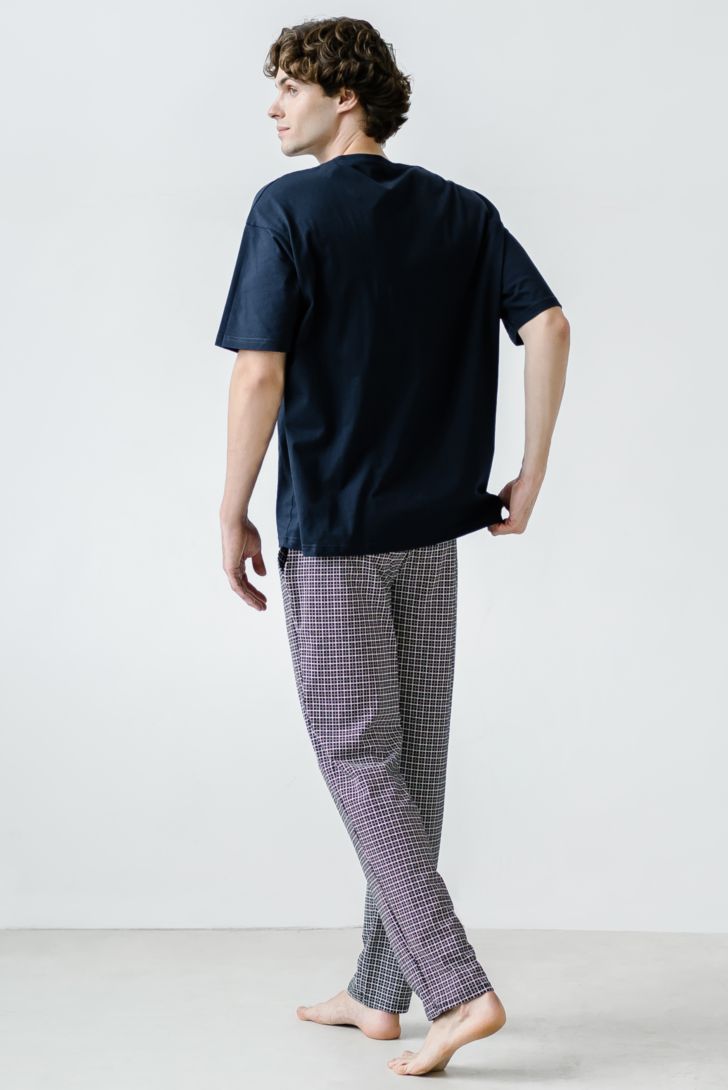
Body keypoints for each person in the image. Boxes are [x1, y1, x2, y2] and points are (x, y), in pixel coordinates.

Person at [214, 16, 570, 1077]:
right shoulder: (463, 212)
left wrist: (229, 507)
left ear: (346, 95)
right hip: (433, 533)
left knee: (358, 758)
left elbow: (258, 371)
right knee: (409, 764)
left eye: (290, 86)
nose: (274, 106)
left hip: (334, 532)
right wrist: (530, 472)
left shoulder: (287, 209)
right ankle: (379, 991)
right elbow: (548, 326)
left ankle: (456, 990)